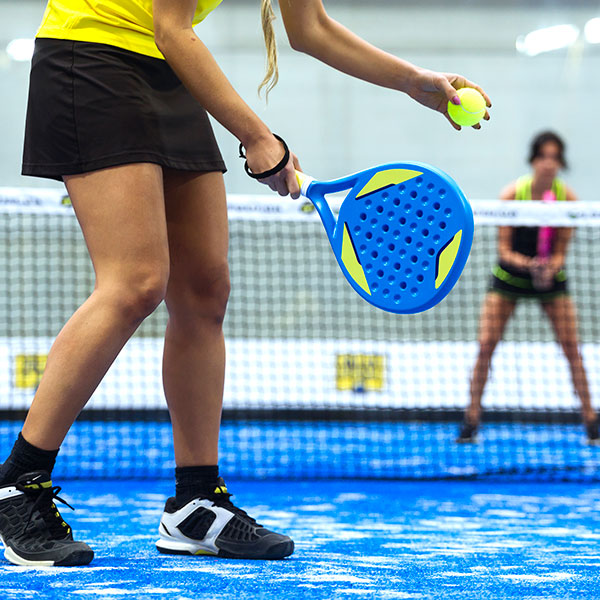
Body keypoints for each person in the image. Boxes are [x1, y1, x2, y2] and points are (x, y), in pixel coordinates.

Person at [0, 0, 490, 566]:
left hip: (167, 68)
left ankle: (196, 504)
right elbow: (173, 28)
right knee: (136, 283)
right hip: (92, 58)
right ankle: (18, 484)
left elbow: (311, 29)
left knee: (205, 290)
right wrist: (258, 136)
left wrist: (415, 81)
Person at [457, 131, 598, 444]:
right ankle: (470, 422)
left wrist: (551, 267)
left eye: (554, 157)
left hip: (551, 280)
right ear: (533, 160)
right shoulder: (512, 195)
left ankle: (592, 425)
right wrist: (529, 266)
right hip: (509, 277)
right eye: (542, 157)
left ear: (560, 162)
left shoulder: (567, 199)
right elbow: (504, 250)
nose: (548, 164)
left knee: (572, 350)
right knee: (485, 347)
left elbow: (562, 249)